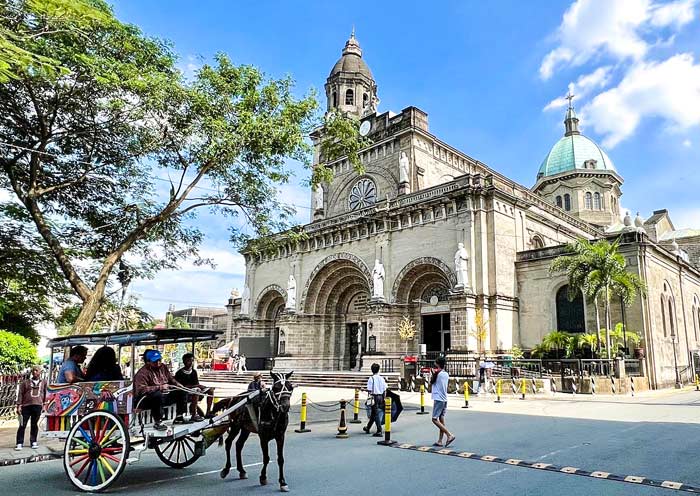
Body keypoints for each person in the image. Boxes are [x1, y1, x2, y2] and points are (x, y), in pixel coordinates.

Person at [133, 349, 186, 430]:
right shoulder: (142, 373)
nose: (158, 363)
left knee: (180, 392)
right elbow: (141, 390)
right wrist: (159, 387)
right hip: (145, 399)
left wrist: (178, 384)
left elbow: (170, 378)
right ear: (148, 362)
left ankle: (179, 416)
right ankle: (158, 422)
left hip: (164, 396)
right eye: (155, 361)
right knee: (157, 395)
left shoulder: (163, 367)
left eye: (159, 360)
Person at [174, 353, 215, 420]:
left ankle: (208, 412)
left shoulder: (194, 372)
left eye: (192, 361)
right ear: (184, 362)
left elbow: (196, 383)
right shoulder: (179, 373)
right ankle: (194, 414)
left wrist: (202, 387)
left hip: (194, 389)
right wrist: (197, 386)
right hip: (184, 392)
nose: (190, 363)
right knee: (197, 390)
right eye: (188, 361)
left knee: (210, 390)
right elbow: (181, 387)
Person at [15, 365, 46, 450]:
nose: (34, 372)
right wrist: (19, 406)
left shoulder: (44, 382)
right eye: (33, 370)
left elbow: (46, 394)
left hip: (38, 405)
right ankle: (19, 442)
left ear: (40, 372)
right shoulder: (25, 383)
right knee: (22, 424)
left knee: (34, 424)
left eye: (36, 370)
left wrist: (44, 405)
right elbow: (20, 394)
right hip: (26, 406)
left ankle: (33, 441)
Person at [430, 357, 455, 447]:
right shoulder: (445, 374)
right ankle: (440, 441)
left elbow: (432, 382)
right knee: (441, 419)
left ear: (437, 364)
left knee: (434, 419)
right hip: (444, 399)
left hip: (438, 399)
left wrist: (433, 374)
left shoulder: (438, 374)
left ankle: (449, 435)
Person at [363, 363, 386, 437]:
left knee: (375, 413)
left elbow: (369, 390)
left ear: (371, 370)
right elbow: (384, 389)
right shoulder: (382, 378)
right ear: (378, 370)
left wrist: (363, 389)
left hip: (374, 397)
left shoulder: (371, 378)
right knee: (374, 413)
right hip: (381, 396)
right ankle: (368, 427)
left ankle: (379, 430)